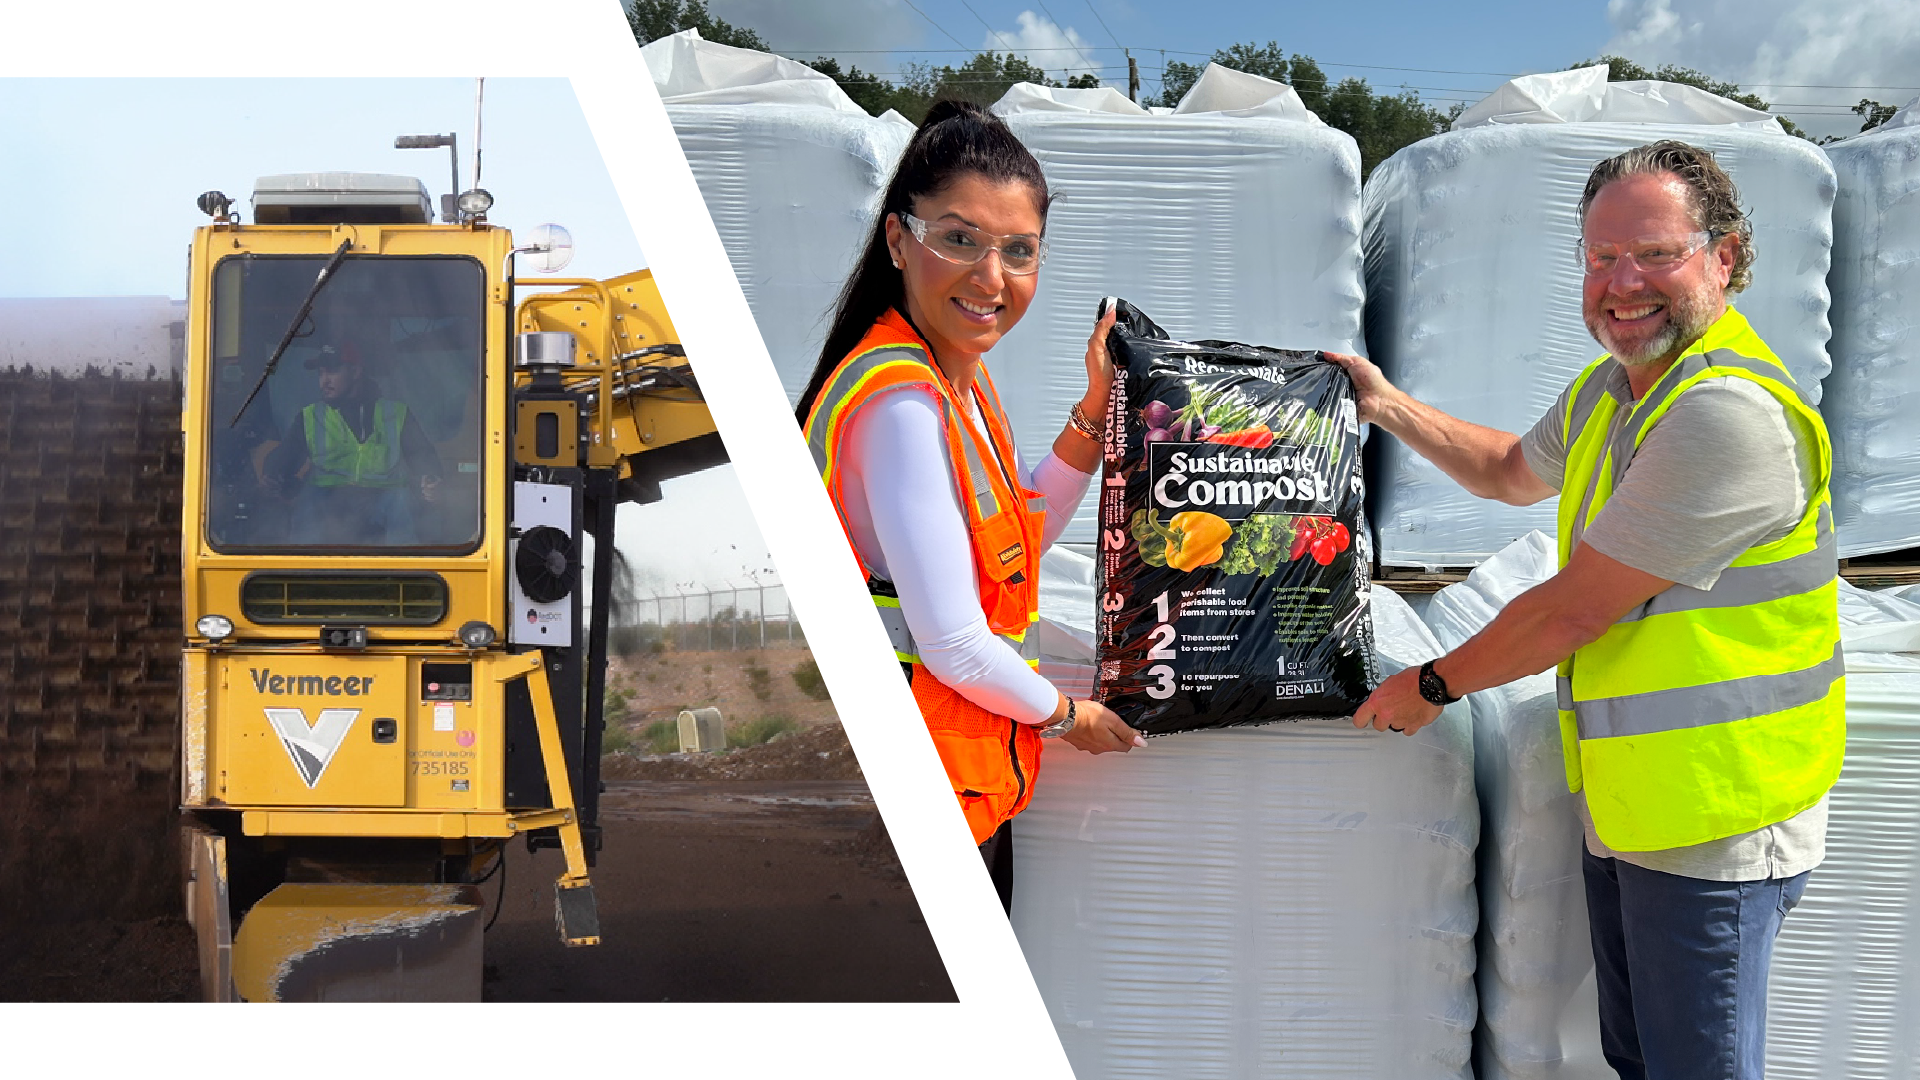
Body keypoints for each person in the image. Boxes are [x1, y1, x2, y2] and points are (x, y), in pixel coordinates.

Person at [1337, 141, 1841, 1079]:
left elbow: (1570, 612)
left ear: (1724, 258)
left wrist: (1432, 685)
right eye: (1602, 256)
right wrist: (1388, 406)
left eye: (1656, 254)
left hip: (1716, 820)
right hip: (1641, 804)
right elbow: (1505, 470)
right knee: (1638, 1056)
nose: (1623, 283)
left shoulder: (1723, 413)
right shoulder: (1616, 391)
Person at [796, 100, 1144, 912]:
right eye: (960, 239)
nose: (992, 278)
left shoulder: (957, 380)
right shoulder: (901, 404)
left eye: (1019, 251)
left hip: (950, 781)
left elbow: (1012, 541)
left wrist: (1093, 413)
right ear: (898, 239)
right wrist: (1069, 717)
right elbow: (954, 643)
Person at [263, 341, 442, 545]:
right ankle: (303, 563)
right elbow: (284, 458)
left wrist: (432, 481)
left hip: (382, 499)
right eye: (320, 373)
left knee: (401, 500)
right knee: (309, 499)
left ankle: (406, 563)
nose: (324, 381)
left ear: (356, 372)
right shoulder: (311, 417)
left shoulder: (395, 414)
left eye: (332, 371)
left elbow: (424, 458)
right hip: (328, 501)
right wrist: (272, 472)